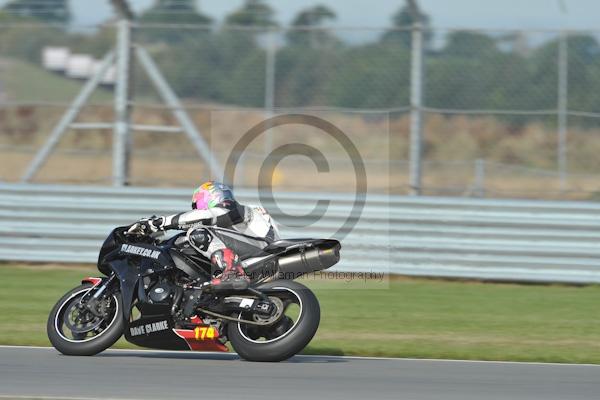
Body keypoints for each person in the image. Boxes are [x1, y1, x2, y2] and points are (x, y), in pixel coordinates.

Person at [133, 181, 279, 291]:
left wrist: (159, 223)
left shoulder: (233, 208)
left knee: (196, 232)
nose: (197, 208)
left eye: (198, 204)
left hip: (262, 249)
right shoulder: (242, 215)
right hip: (261, 251)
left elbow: (206, 215)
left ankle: (233, 272)